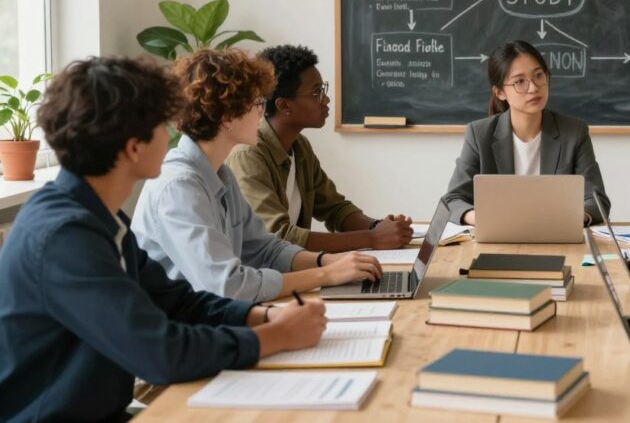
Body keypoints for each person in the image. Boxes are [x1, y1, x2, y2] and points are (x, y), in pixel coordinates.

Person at [0, 57, 329, 423]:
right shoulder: (65, 236)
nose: (174, 132)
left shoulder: (101, 217)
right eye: (161, 124)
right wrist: (277, 336)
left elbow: (177, 303)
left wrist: (262, 316)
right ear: (133, 146)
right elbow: (160, 354)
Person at [133, 49, 382, 303]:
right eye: (257, 104)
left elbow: (266, 249)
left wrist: (328, 260)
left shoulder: (221, 174)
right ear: (228, 117)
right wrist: (325, 274)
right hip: (181, 331)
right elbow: (227, 285)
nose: (262, 114)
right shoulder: (179, 186)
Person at [226, 44, 412, 252]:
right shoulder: (248, 155)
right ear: (284, 106)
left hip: (293, 271)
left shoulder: (299, 146)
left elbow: (334, 208)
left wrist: (380, 228)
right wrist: (372, 238)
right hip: (263, 278)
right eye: (316, 93)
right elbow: (279, 237)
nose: (326, 99)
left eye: (323, 90)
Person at [443, 40, 610, 226]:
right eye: (519, 81)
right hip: (498, 238)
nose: (533, 88)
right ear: (499, 92)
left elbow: (597, 201)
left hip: (557, 237)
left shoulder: (574, 132)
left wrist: (577, 217)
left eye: (539, 75)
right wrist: (482, 218)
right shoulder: (479, 134)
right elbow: (453, 200)